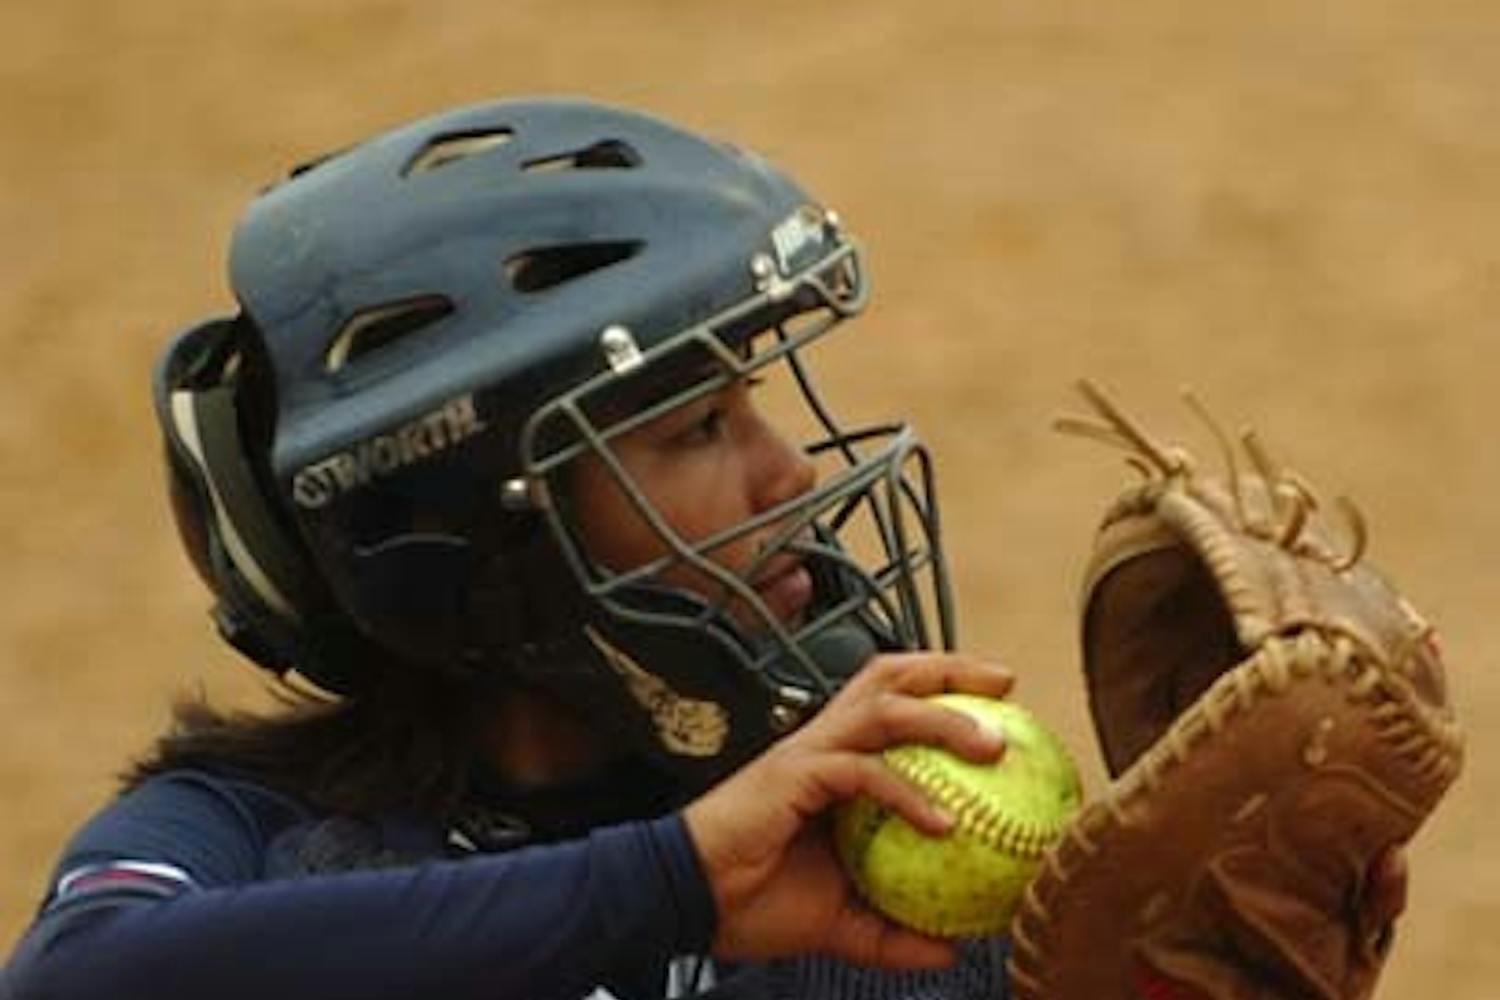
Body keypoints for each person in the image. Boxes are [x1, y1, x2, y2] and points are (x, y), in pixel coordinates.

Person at [0, 97, 1404, 1000]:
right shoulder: (257, 844)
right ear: (475, 535)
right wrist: (674, 885)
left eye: (753, 399)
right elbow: (85, 986)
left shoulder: (873, 866)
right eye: (690, 430)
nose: (788, 470)